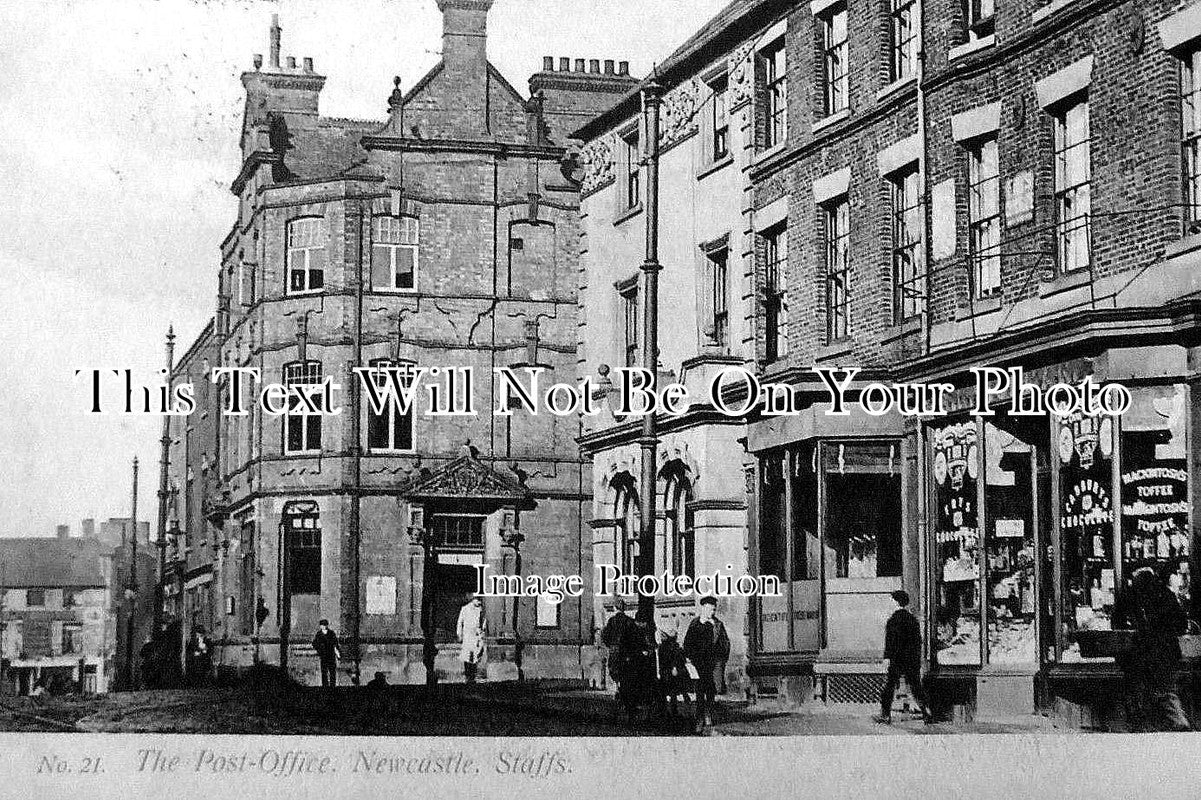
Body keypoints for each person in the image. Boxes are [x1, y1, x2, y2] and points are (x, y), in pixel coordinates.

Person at [1114, 566, 1191, 732]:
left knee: (1139, 691)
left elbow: (1117, 623)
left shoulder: (1129, 595)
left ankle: (1141, 726)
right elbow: (1182, 624)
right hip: (1166, 653)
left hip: (1139, 652)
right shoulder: (1166, 594)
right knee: (1166, 690)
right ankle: (1177, 719)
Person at [875, 590, 930, 724]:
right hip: (911, 659)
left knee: (890, 686)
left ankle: (885, 714)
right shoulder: (913, 620)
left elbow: (891, 642)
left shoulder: (893, 620)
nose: (889, 603)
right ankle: (926, 710)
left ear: (896, 602)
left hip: (897, 659)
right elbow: (918, 641)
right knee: (916, 686)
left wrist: (887, 658)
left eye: (891, 600)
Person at [683, 596, 731, 734]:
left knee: (711, 691)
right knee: (699, 692)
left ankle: (708, 716)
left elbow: (725, 643)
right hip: (698, 664)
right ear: (703, 608)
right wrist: (689, 658)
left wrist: (721, 658)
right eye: (710, 609)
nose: (712, 612)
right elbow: (687, 643)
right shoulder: (695, 624)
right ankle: (699, 719)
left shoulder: (717, 625)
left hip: (713, 663)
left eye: (714, 609)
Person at [600, 597, 635, 697]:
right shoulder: (629, 621)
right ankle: (623, 689)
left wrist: (610, 645)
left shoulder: (612, 621)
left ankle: (617, 688)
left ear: (615, 608)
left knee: (614, 670)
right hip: (626, 651)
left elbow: (605, 635)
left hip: (614, 649)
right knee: (626, 670)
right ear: (624, 609)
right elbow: (633, 637)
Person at [456, 595, 487, 683]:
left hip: (476, 635)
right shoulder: (465, 608)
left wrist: (482, 631)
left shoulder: (480, 609)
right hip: (467, 634)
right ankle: (467, 674)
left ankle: (473, 675)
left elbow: (483, 621)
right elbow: (460, 622)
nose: (479, 603)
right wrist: (459, 634)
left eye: (480, 601)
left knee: (476, 655)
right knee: (467, 655)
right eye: (478, 600)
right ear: (474, 599)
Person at [312, 619, 341, 688]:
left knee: (332, 671)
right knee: (324, 671)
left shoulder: (331, 633)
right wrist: (319, 651)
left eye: (324, 625)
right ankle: (325, 686)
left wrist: (337, 653)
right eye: (322, 625)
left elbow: (335, 644)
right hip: (324, 655)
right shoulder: (319, 634)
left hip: (331, 654)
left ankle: (332, 685)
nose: (323, 627)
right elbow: (314, 643)